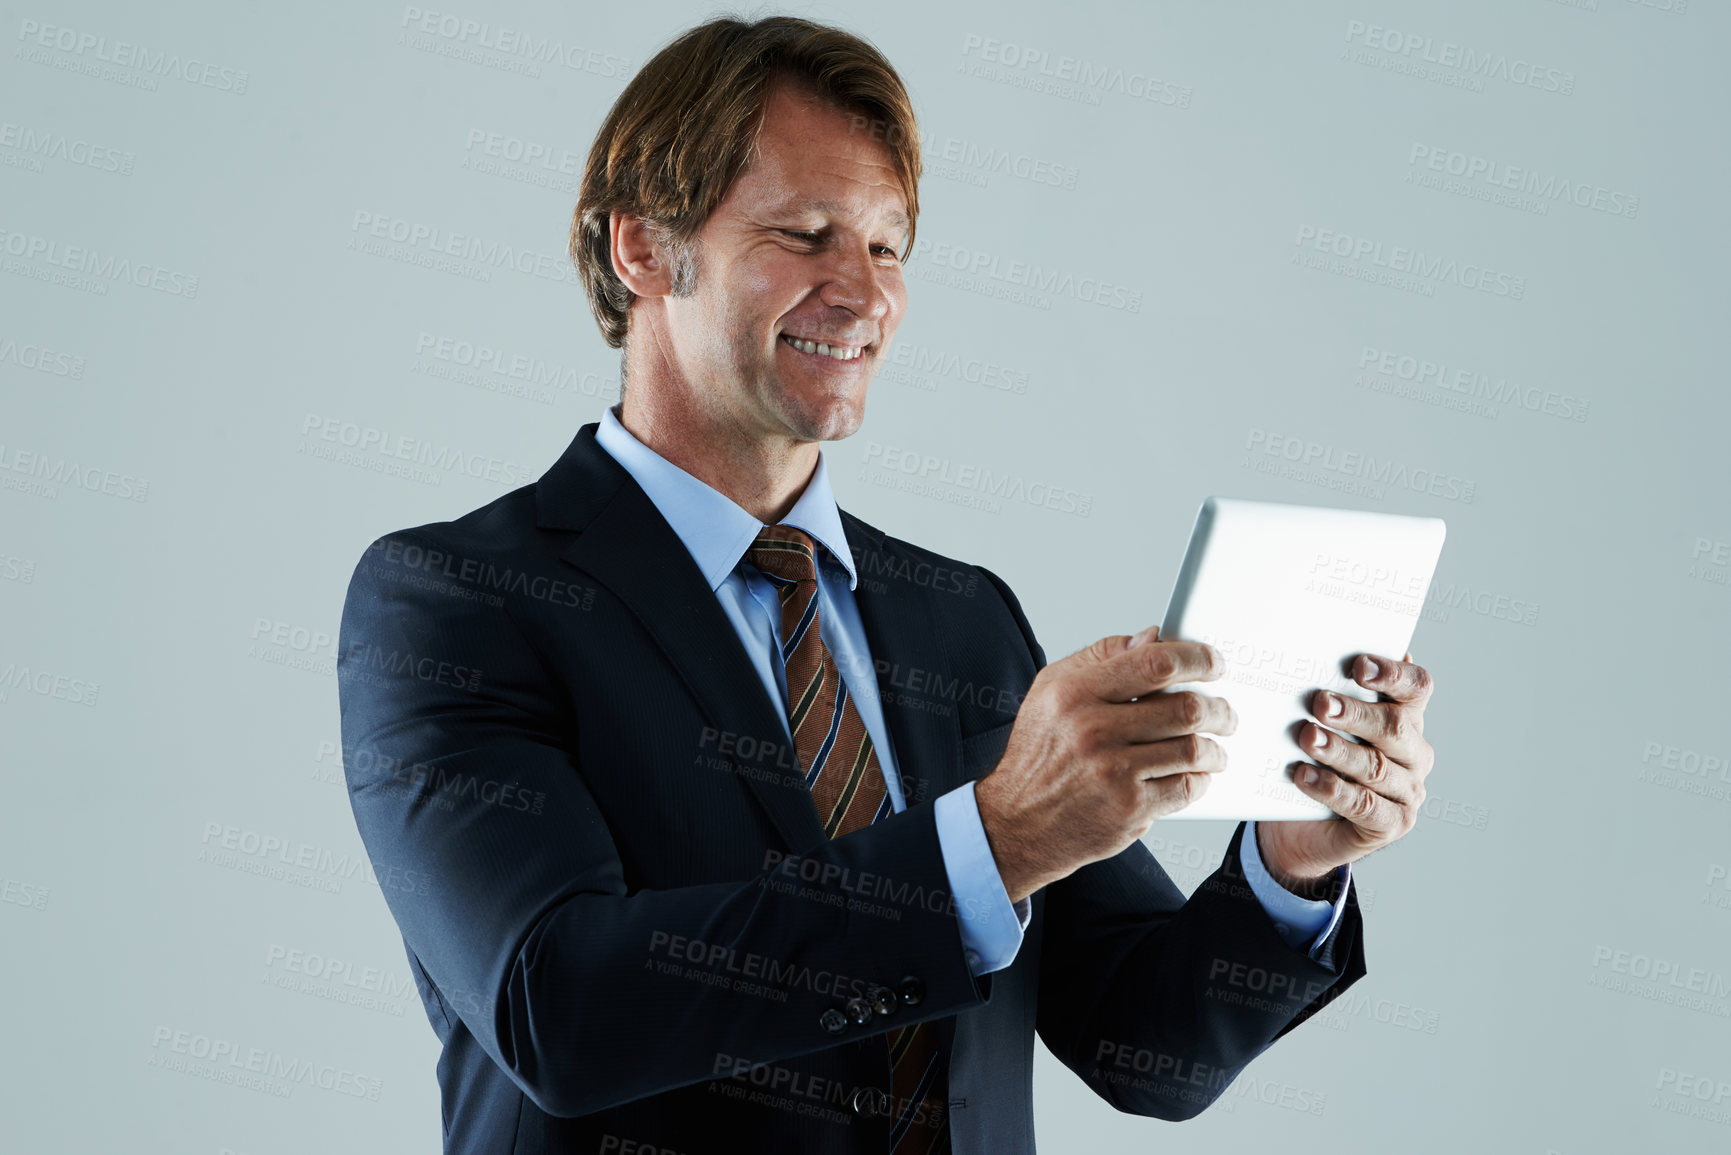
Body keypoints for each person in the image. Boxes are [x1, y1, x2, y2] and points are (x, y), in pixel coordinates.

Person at [337, 15, 1437, 1154]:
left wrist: (1290, 866)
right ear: (644, 251)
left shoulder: (958, 618)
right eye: (807, 234)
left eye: (888, 246)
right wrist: (993, 843)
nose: (863, 295)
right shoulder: (456, 602)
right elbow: (560, 1011)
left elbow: (1140, 1046)